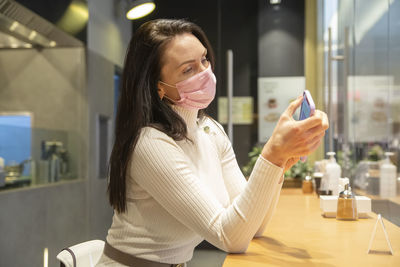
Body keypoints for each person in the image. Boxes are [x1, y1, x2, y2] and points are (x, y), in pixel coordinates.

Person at [96, 19, 328, 267]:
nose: (205, 73)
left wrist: (279, 163)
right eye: (188, 69)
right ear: (158, 87)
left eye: (204, 60)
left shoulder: (209, 130)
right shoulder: (149, 144)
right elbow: (229, 237)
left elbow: (254, 226)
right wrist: (271, 154)